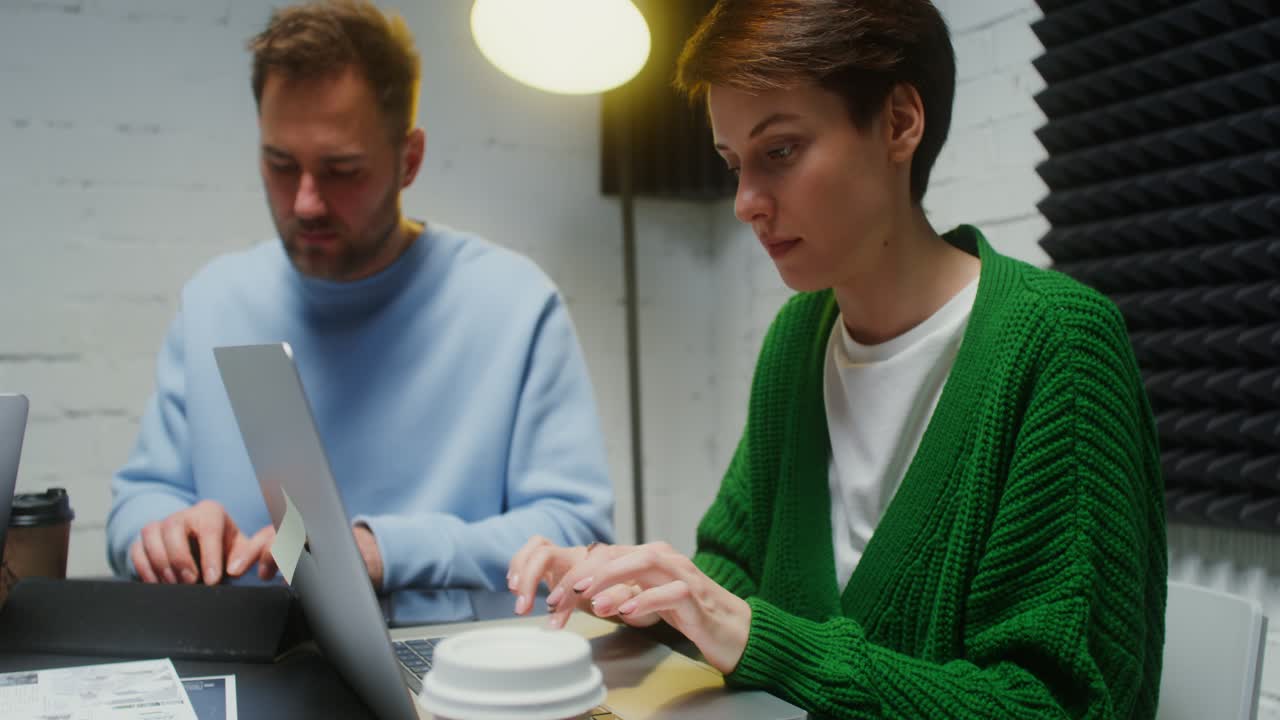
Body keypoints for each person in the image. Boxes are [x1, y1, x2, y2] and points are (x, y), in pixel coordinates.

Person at [508, 0, 1166, 717]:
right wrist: (640, 594)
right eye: (733, 165)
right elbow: (736, 575)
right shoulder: (797, 339)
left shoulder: (1058, 344)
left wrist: (758, 637)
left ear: (900, 122)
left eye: (780, 151)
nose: (745, 202)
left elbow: (1058, 706)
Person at [107, 0, 614, 594]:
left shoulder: (514, 306)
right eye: (280, 164)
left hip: (446, 647)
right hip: (244, 642)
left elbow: (573, 532)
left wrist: (384, 552)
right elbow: (137, 505)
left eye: (342, 170)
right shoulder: (214, 301)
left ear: (409, 160)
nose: (306, 202)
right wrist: (163, 532)